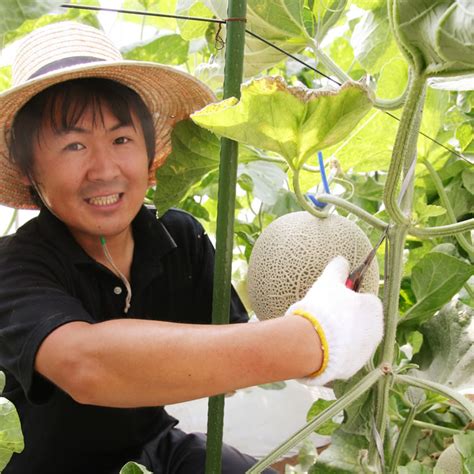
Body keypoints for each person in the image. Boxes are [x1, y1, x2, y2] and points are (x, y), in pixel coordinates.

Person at [0, 22, 384, 474]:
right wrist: (309, 341)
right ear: (28, 170)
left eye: (121, 139)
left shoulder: (180, 239)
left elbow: (235, 346)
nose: (104, 170)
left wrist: (312, 312)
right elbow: (84, 364)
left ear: (151, 154)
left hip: (154, 449)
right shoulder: (14, 266)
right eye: (74, 145)